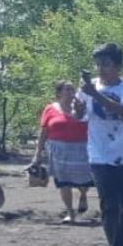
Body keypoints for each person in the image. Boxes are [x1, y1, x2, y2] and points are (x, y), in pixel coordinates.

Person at [79, 43, 123, 246]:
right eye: (98, 64)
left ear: (117, 66)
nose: (101, 69)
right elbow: (80, 116)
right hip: (99, 153)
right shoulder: (88, 87)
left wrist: (95, 95)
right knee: (109, 204)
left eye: (105, 64)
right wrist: (79, 105)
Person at [32, 80, 93, 223]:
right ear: (59, 93)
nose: (71, 93)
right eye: (67, 90)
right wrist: (38, 153)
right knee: (63, 182)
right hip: (58, 150)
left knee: (84, 181)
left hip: (81, 149)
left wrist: (80, 112)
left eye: (72, 90)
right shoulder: (50, 109)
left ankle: (83, 195)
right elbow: (44, 131)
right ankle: (70, 212)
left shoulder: (81, 108)